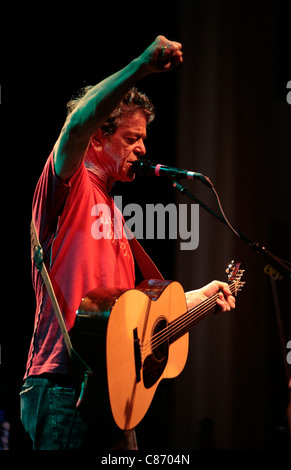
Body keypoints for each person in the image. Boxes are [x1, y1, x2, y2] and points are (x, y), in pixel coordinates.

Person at [20, 35, 235, 450]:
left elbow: (132, 321)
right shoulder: (70, 182)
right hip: (65, 387)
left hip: (111, 399)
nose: (143, 147)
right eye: (132, 137)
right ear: (98, 139)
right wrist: (140, 65)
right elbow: (78, 121)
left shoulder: (115, 216)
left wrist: (199, 300)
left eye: (143, 138)